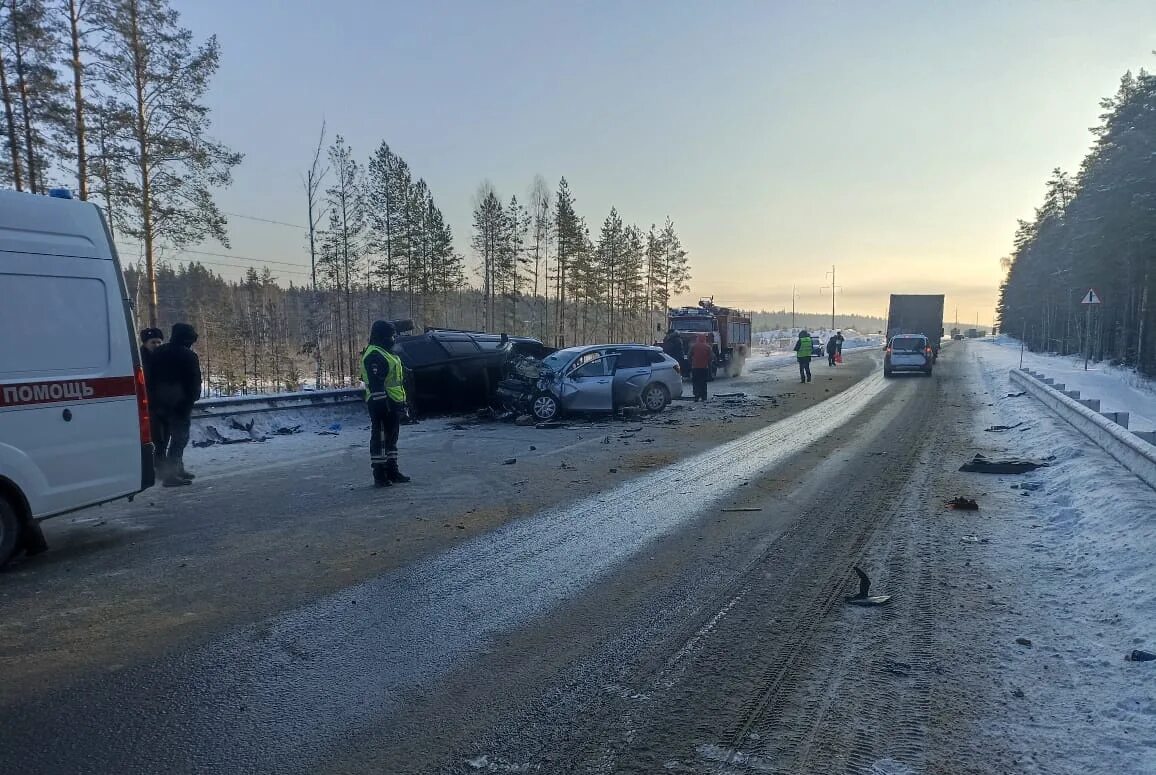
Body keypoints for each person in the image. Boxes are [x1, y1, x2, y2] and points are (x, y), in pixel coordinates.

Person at [149, 323, 202, 487]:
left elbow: (149, 376)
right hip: (180, 405)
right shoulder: (189, 356)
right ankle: (172, 474)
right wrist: (192, 399)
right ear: (187, 339)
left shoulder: (158, 352)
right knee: (179, 439)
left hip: (158, 404)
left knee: (162, 440)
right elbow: (194, 382)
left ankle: (171, 470)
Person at [361, 320, 410, 487]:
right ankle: (380, 475)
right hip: (381, 403)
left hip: (393, 402)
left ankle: (392, 471)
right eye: (390, 335)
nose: (393, 338)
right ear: (381, 336)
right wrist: (383, 405)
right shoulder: (375, 354)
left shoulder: (386, 352)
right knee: (380, 439)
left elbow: (394, 378)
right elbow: (376, 383)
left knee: (391, 440)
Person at [689, 334, 713, 402]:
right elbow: (711, 357)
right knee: (703, 382)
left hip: (695, 367)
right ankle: (704, 396)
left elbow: (689, 356)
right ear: (704, 339)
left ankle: (696, 395)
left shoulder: (693, 346)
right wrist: (708, 363)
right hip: (704, 367)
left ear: (698, 339)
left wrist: (692, 362)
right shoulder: (708, 347)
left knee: (696, 382)